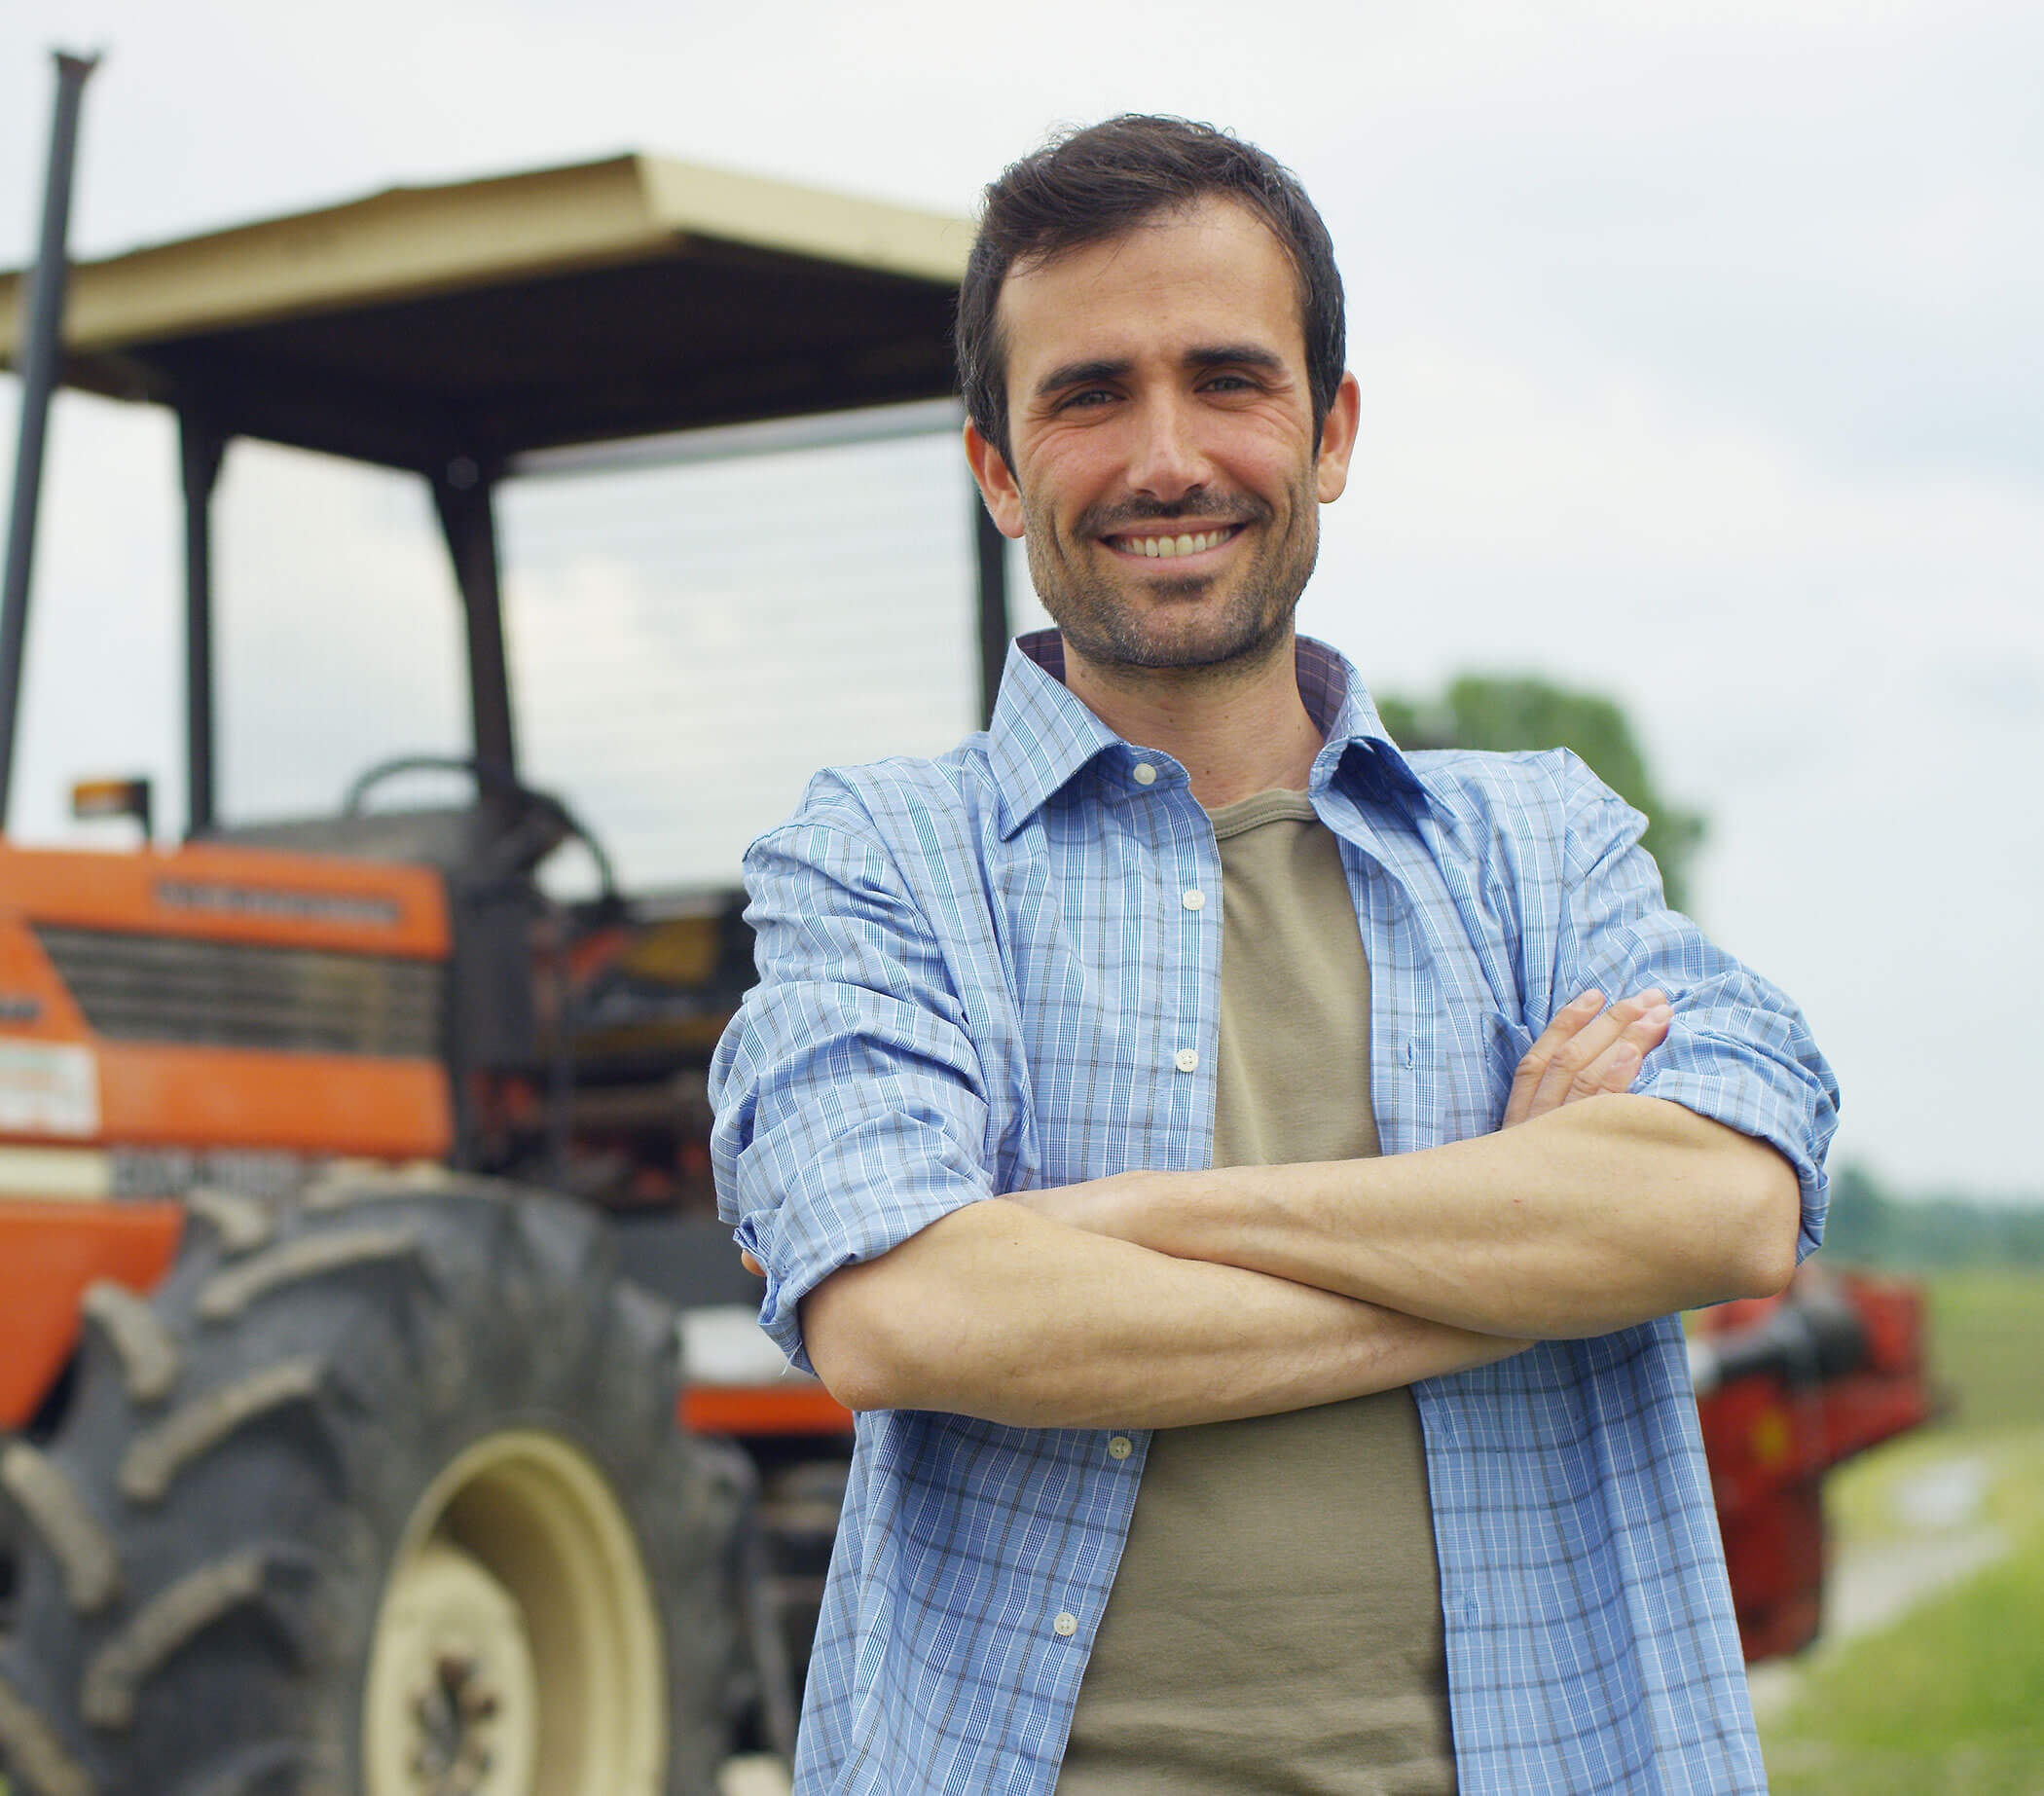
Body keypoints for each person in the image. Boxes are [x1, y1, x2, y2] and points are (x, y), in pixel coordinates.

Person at [711, 114, 1838, 1795]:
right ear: (998, 468)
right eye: (1091, 395)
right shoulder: (883, 858)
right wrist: (1512, 1256)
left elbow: (1730, 1198)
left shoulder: (1540, 843)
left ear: (1331, 432)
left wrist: (1099, 1227)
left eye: (1228, 380)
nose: (1167, 458)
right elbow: (904, 1307)